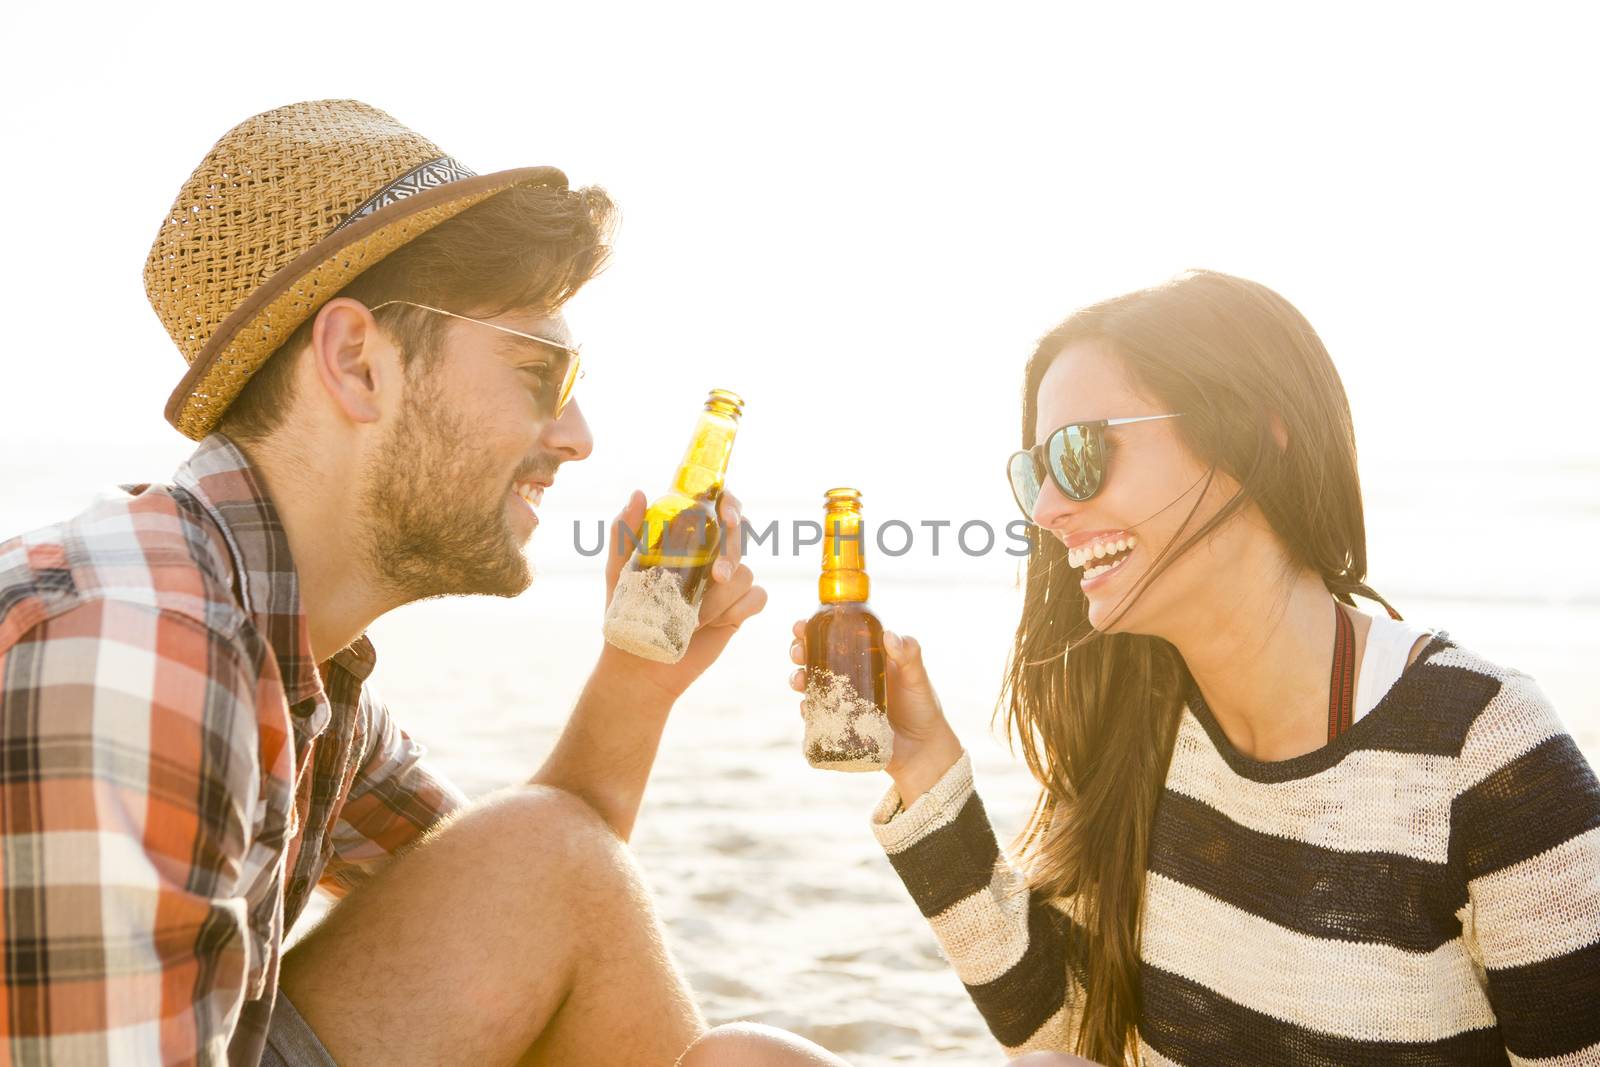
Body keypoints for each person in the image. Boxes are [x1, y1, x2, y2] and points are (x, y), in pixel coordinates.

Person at [0, 99, 848, 1067]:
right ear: (358, 362)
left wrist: (637, 674)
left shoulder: (289, 661)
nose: (578, 438)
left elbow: (545, 889)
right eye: (542, 375)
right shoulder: (141, 644)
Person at [790, 270, 1600, 1066]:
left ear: (1252, 433)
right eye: (1035, 472)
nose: (1044, 511)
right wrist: (923, 763)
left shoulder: (1481, 750)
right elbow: (1066, 1036)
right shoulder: (1143, 724)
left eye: (1079, 453)